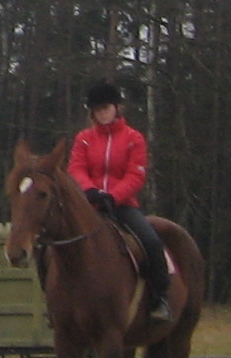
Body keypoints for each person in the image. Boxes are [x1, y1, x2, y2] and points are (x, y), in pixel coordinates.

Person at [68, 80, 172, 323]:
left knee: (151, 241)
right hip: (89, 205)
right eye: (97, 109)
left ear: (116, 107)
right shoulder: (83, 139)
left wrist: (113, 197)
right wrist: (91, 191)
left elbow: (136, 175)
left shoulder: (134, 138)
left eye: (106, 107)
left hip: (122, 206)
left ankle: (160, 298)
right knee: (52, 246)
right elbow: (76, 168)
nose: (102, 113)